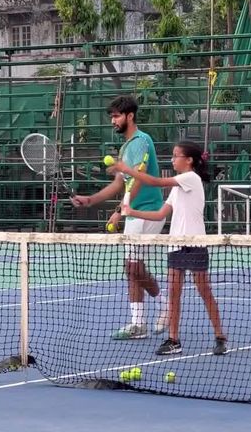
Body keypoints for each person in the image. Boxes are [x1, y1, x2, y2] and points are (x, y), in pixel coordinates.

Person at [108, 141, 227, 356]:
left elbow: (155, 181)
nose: (172, 160)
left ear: (188, 160)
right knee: (173, 293)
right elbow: (160, 214)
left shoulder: (191, 178)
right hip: (175, 245)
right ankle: (173, 340)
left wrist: (127, 170)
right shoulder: (176, 188)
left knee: (204, 290)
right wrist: (131, 212)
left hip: (195, 243)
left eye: (176, 156)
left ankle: (220, 336)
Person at [71, 95, 167, 340]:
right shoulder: (126, 148)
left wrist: (120, 210)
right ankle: (138, 324)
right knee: (133, 267)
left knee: (133, 266)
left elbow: (138, 179)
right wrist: (90, 200)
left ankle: (164, 304)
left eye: (116, 116)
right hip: (135, 213)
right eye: (112, 117)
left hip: (147, 211)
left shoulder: (140, 141)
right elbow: (119, 183)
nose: (113, 121)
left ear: (130, 116)